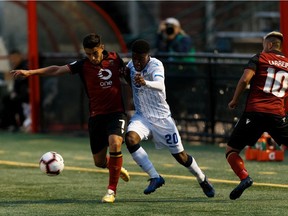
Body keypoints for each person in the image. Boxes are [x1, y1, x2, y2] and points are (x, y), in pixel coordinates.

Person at [10, 33, 130, 203]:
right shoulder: (83, 65)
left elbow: (129, 74)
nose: (92, 57)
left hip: (116, 113)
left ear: (102, 47)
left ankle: (111, 191)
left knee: (115, 142)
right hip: (96, 117)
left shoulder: (115, 59)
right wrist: (30, 72)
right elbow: (57, 69)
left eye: (94, 53)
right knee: (99, 162)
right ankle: (115, 166)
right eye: (88, 54)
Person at [124, 39, 215, 197]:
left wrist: (145, 82)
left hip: (161, 119)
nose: (137, 61)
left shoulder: (156, 65)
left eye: (140, 58)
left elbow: (160, 85)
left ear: (148, 56)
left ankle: (202, 179)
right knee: (130, 139)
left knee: (180, 156)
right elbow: (125, 76)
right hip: (142, 117)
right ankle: (155, 177)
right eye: (134, 57)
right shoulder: (130, 66)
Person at [226, 31, 288, 200]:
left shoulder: (259, 58)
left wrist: (234, 99)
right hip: (277, 114)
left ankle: (245, 178)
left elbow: (245, 80)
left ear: (268, 45)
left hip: (255, 112)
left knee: (231, 150)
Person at [0, 50, 29, 131]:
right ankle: (11, 124)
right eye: (11, 58)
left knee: (11, 100)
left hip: (27, 95)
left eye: (15, 58)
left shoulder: (26, 66)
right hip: (20, 95)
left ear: (20, 56)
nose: (13, 60)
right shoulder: (16, 67)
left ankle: (15, 124)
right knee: (7, 99)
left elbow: (24, 84)